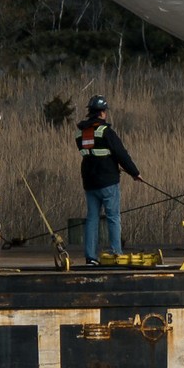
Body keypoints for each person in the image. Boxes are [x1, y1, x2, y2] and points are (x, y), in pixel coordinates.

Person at [75, 94, 141, 266]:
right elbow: (121, 153)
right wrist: (134, 173)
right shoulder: (106, 131)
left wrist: (111, 162)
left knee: (92, 218)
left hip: (89, 182)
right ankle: (116, 253)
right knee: (113, 217)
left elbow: (92, 154)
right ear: (102, 112)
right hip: (108, 182)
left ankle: (90, 257)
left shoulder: (80, 133)